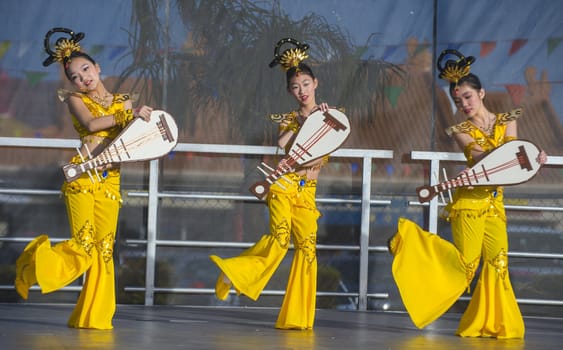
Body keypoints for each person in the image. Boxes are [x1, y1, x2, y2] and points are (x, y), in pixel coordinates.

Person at [388, 49, 547, 338]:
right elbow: (483, 153)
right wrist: (519, 155)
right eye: (458, 100)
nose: (463, 104)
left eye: (468, 97)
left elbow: (511, 161)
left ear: (482, 93)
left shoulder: (508, 119)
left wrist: (535, 157)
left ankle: (498, 325)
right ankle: (409, 242)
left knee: (499, 264)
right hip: (469, 205)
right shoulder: (459, 128)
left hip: (495, 206)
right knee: (467, 267)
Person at [14, 28, 153, 329]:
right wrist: (128, 116)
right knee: (84, 243)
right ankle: (33, 264)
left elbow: (132, 143)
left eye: (86, 70)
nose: (82, 79)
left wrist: (148, 122)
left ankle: (95, 319)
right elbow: (91, 124)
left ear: (98, 67)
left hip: (111, 181)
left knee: (104, 250)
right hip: (82, 176)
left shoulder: (125, 101)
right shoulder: (75, 100)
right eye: (75, 76)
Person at [209, 38, 330, 330]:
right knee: (279, 240)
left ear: (316, 83)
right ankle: (234, 273)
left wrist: (322, 119)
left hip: (307, 192)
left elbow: (333, 141)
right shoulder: (290, 119)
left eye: (305, 84)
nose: (301, 91)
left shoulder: (331, 117)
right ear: (289, 91)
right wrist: (306, 122)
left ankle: (298, 318)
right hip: (283, 186)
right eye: (295, 87)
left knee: (308, 249)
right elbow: (284, 145)